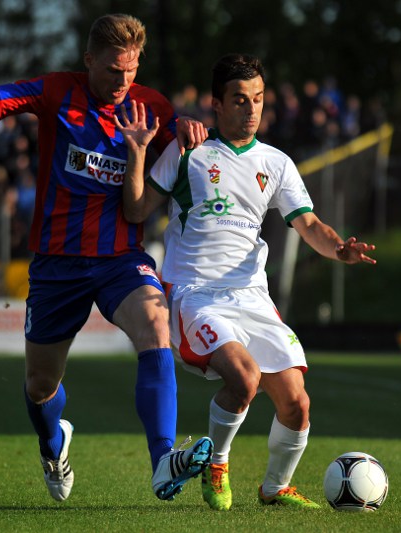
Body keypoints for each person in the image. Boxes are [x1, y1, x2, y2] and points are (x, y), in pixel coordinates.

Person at [0, 13, 214, 503]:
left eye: (132, 69)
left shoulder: (151, 106)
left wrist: (193, 128)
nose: (123, 80)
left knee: (155, 325)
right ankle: (54, 445)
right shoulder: (55, 91)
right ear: (88, 60)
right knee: (39, 385)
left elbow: (191, 144)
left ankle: (163, 461)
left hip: (120, 260)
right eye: (113, 69)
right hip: (57, 264)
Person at [115, 53, 376, 510]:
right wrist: (138, 152)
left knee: (297, 404)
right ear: (216, 104)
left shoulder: (276, 162)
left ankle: (275, 486)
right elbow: (136, 211)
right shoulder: (187, 151)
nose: (251, 108)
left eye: (257, 98)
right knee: (243, 378)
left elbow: (309, 224)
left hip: (253, 296)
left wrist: (339, 249)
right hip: (195, 293)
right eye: (240, 99)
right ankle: (216, 464)